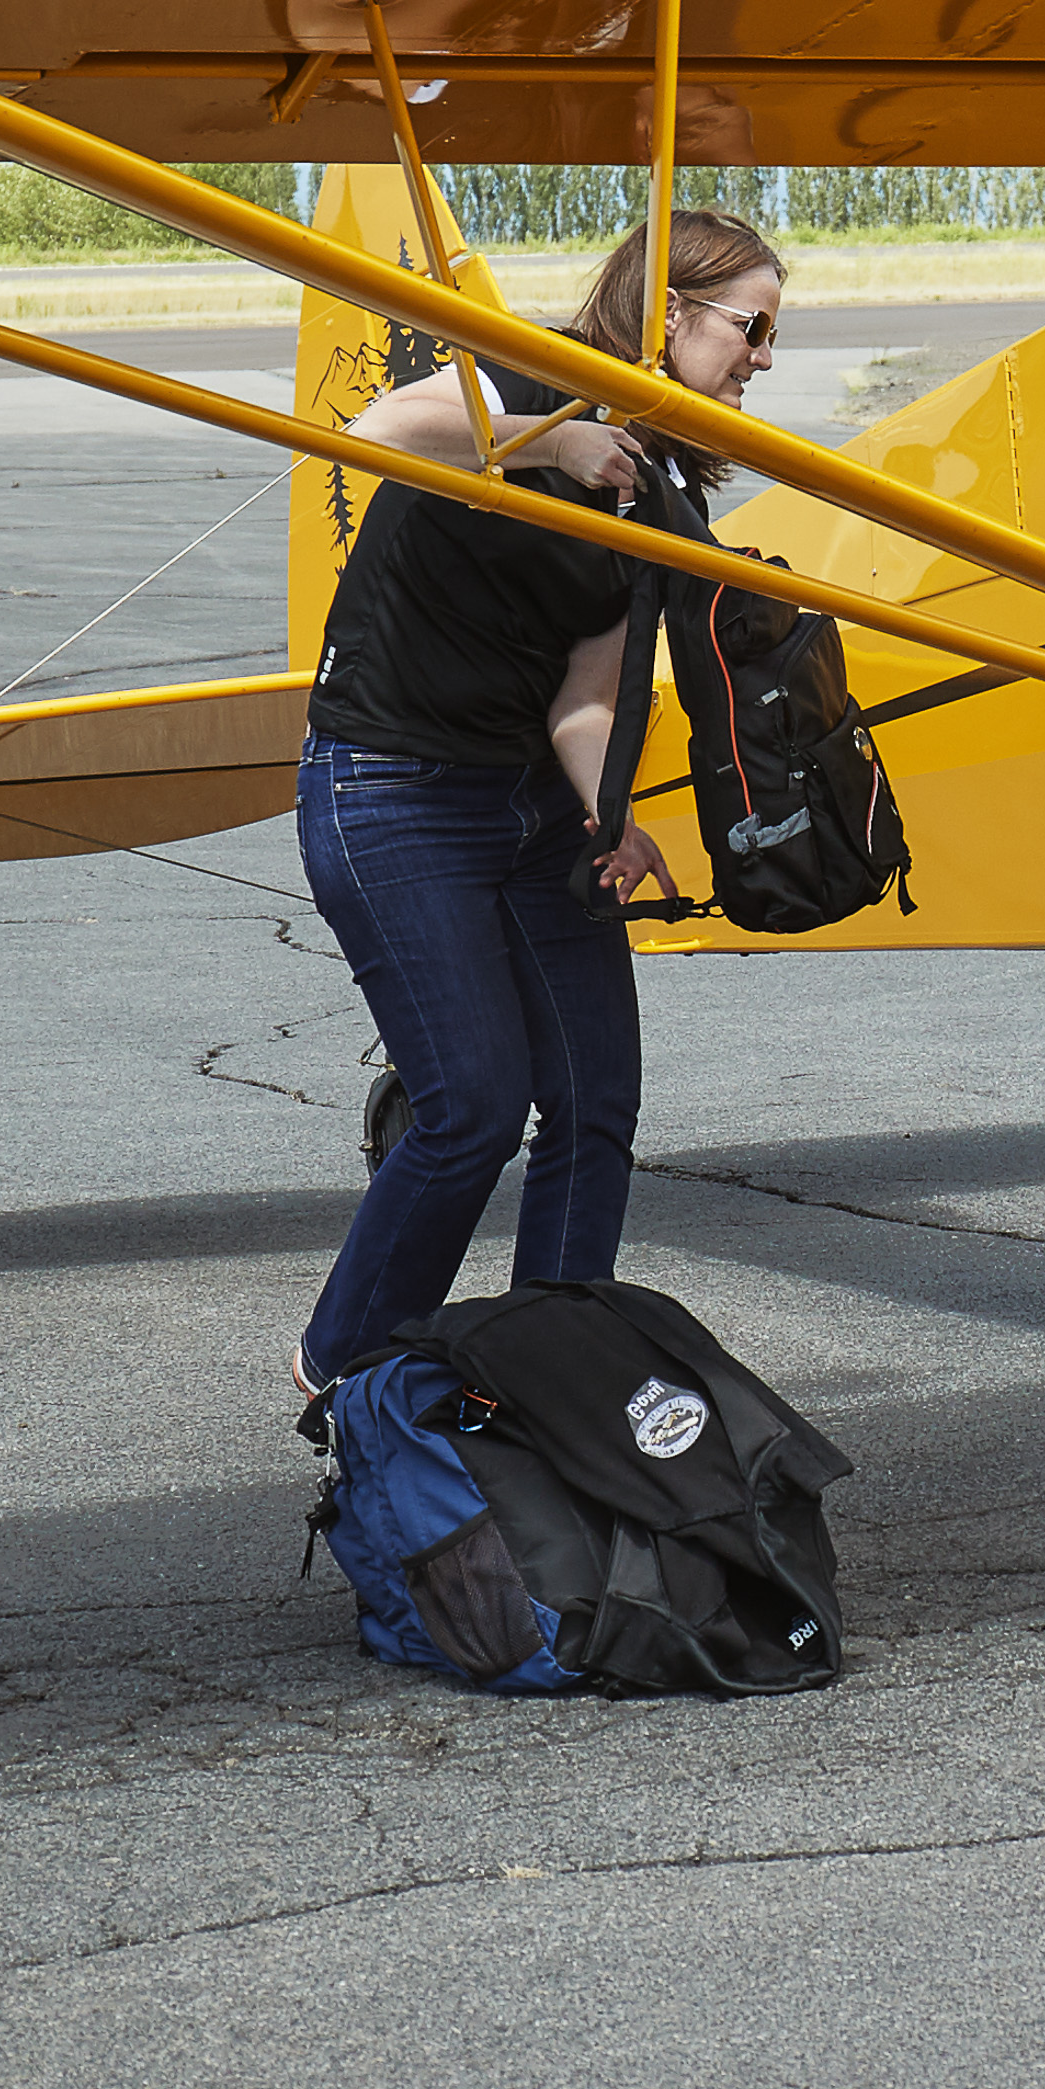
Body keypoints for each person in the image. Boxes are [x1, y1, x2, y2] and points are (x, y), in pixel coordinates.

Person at [290, 210, 789, 1393]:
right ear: (671, 311)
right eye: (753, 327)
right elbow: (378, 429)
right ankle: (345, 1372)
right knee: (473, 1104)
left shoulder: (657, 491)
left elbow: (584, 694)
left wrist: (610, 811)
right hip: (392, 785)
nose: (765, 357)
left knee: (595, 1095)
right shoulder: (526, 375)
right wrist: (551, 444)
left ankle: (555, 1377)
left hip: (528, 805)